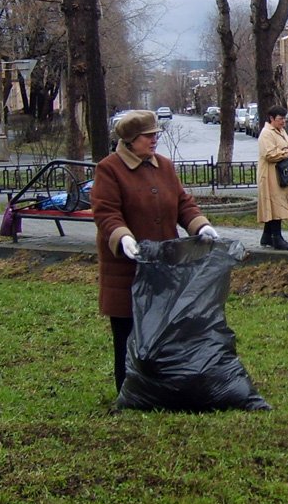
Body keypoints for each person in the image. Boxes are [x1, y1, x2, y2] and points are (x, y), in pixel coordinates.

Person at [91, 109, 219, 392]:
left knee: (162, 329)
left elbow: (183, 202)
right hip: (127, 269)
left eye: (156, 135)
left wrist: (199, 225)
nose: (154, 141)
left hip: (163, 265)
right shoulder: (109, 169)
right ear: (130, 139)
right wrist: (122, 238)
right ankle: (126, 389)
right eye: (148, 136)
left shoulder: (164, 165)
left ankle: (159, 385)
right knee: (126, 332)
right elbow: (106, 213)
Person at [257, 105, 288, 250]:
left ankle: (266, 236)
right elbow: (269, 154)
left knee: (275, 204)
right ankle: (277, 238)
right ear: (271, 119)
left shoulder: (280, 131)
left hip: (280, 173)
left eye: (284, 119)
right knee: (275, 204)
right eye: (280, 119)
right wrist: (285, 153)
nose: (283, 122)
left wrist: (286, 151)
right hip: (270, 175)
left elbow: (287, 147)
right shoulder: (266, 133)